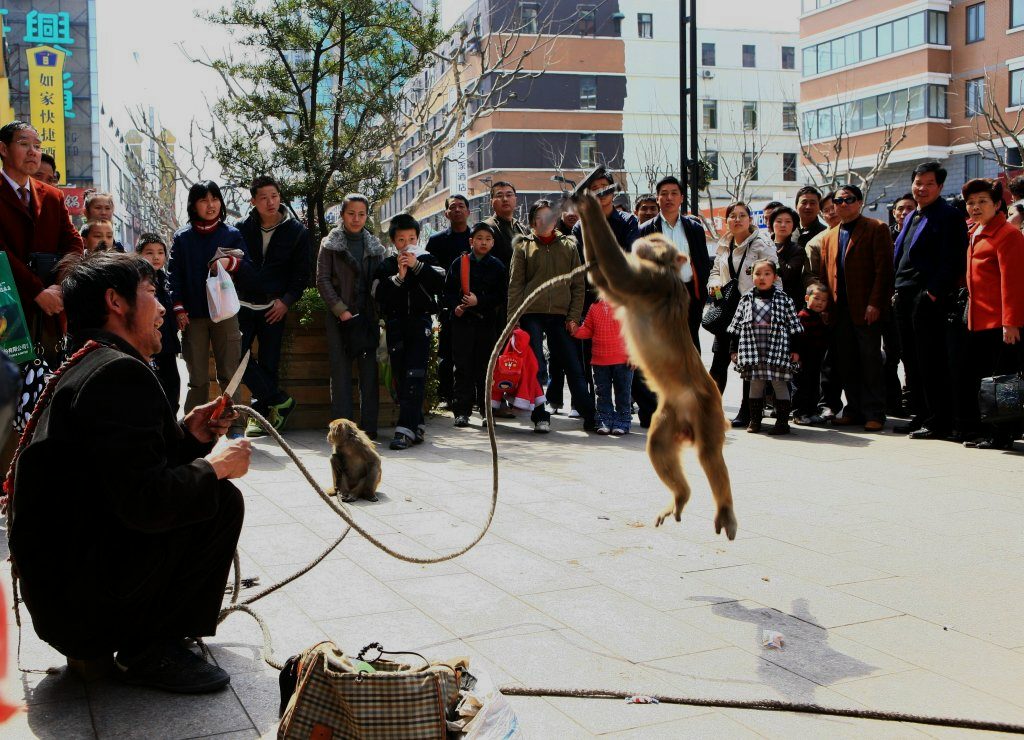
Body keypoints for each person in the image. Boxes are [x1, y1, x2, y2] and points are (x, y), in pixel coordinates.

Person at [8, 250, 250, 693]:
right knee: (219, 500)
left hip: (67, 596)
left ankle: (141, 631)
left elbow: (124, 468)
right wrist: (214, 467)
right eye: (151, 293)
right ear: (116, 302)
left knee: (205, 489)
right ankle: (149, 646)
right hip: (82, 607)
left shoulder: (93, 364)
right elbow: (146, 503)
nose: (161, 308)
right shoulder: (116, 374)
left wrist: (191, 437)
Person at [169, 180, 256, 432]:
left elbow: (250, 271)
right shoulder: (182, 238)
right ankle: (192, 427)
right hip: (193, 316)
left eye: (215, 199)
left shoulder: (232, 234)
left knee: (229, 373)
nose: (211, 205)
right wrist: (178, 307)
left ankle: (235, 426)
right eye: (204, 200)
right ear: (193, 205)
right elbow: (173, 275)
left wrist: (233, 264)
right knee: (197, 378)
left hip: (226, 313)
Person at [892, 162, 969, 440]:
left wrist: (933, 293)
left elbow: (953, 259)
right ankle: (920, 414)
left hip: (927, 297)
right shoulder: (913, 215)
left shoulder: (948, 216)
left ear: (939, 186)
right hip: (903, 296)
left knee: (930, 360)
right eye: (918, 183)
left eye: (928, 183)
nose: (921, 188)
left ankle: (939, 420)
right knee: (911, 361)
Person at [508, 199, 596, 433]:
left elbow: (579, 285)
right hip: (531, 314)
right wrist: (513, 318)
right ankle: (540, 415)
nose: (545, 221)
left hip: (561, 315)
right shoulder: (523, 246)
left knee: (573, 366)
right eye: (540, 217)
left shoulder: (568, 245)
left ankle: (590, 415)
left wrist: (574, 316)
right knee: (536, 366)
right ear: (532, 222)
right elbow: (515, 285)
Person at [0, 121, 84, 366]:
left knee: (46, 387)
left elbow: (73, 243)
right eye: (24, 144)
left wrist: (59, 286)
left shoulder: (52, 196)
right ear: (3, 149)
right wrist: (36, 290)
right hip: (7, 309)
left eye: (37, 146)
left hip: (50, 311)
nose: (32, 152)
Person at [234, 174, 310, 436]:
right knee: (237, 358)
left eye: (275, 196)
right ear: (253, 201)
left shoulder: (296, 231)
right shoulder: (240, 228)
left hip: (274, 306)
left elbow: (302, 273)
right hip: (242, 303)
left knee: (269, 361)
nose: (270, 202)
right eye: (263, 198)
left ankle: (262, 416)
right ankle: (279, 400)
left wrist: (286, 301)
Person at [818, 185, 893, 432]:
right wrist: (826, 305)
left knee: (870, 361)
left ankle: (875, 412)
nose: (843, 204)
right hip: (839, 310)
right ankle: (854, 409)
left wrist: (875, 303)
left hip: (866, 308)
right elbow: (824, 274)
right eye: (838, 201)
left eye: (848, 200)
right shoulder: (829, 236)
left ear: (859, 202)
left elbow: (884, 271)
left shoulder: (876, 228)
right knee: (846, 362)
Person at [317, 193, 388, 440]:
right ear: (342, 215)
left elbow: (381, 281)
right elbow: (322, 279)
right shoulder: (330, 244)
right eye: (351, 213)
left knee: (369, 373)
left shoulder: (376, 246)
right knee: (340, 372)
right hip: (339, 317)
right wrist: (340, 310)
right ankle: (343, 430)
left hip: (367, 317)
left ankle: (369, 429)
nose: (356, 219)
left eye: (361, 214)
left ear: (367, 216)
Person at [372, 213, 446, 450]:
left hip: (420, 323)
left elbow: (440, 283)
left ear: (418, 238)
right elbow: (378, 294)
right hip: (395, 325)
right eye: (401, 240)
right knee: (402, 376)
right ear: (394, 241)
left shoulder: (427, 259)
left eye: (411, 238)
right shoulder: (386, 265)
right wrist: (399, 277)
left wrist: (417, 266)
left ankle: (404, 430)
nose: (407, 245)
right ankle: (417, 425)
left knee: (416, 374)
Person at [961, 178, 1024, 449]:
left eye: (982, 202)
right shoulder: (976, 231)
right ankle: (993, 431)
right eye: (971, 202)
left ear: (998, 204)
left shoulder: (1007, 234)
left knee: (1004, 381)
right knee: (987, 379)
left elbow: (1014, 281)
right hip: (980, 320)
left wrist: (1011, 322)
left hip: (1001, 323)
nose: (975, 207)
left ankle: (1004, 434)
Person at [707, 201, 777, 427]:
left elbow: (774, 275)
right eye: (732, 216)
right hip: (726, 311)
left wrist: (773, 308)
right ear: (726, 220)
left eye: (741, 215)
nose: (737, 220)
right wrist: (715, 284)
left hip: (751, 313)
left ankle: (747, 413)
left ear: (750, 219)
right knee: (719, 362)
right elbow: (716, 270)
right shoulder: (724, 244)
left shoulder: (761, 244)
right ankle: (711, 411)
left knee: (747, 365)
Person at [728, 259, 803, 435]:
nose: (762, 278)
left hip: (777, 350)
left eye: (767, 274)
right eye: (758, 274)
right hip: (753, 350)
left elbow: (795, 328)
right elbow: (735, 327)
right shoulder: (745, 299)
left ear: (775, 277)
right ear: (752, 276)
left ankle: (783, 422)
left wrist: (796, 350)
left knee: (779, 384)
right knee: (755, 385)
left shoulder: (784, 299)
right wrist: (733, 350)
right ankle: (755, 421)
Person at [444, 222, 508, 428]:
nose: (483, 242)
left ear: (493, 243)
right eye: (479, 238)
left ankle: (485, 411)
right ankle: (461, 411)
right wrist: (456, 307)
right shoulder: (459, 263)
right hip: (462, 323)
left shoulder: (497, 266)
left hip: (486, 323)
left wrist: (479, 300)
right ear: (471, 241)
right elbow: (449, 291)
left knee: (485, 369)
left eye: (488, 239)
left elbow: (501, 295)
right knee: (462, 368)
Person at [637, 175, 709, 349]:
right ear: (658, 198)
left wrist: (700, 294)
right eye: (664, 193)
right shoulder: (645, 230)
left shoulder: (695, 228)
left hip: (690, 292)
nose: (669, 198)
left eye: (674, 193)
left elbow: (703, 261)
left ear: (681, 198)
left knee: (690, 342)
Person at [426, 194, 472, 408]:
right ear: (446, 213)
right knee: (447, 352)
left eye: (461, 206)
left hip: (474, 303)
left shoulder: (477, 237)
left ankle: (471, 396)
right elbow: (429, 271)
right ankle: (445, 395)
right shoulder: (436, 240)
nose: (457, 210)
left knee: (472, 353)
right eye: (452, 207)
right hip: (447, 304)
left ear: (468, 211)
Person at [572, 297, 632, 435]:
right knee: (602, 394)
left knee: (623, 393)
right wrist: (576, 330)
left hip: (623, 359)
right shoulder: (594, 306)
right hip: (600, 360)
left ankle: (623, 420)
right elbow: (588, 328)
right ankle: (604, 419)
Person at [137, 233, 181, 413]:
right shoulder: (137, 281)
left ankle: (172, 421)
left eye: (160, 252)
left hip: (168, 343)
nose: (156, 257)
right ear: (138, 254)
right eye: (149, 252)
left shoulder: (166, 279)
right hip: (148, 343)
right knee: (153, 385)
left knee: (173, 383)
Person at [791, 284, 830, 426]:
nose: (820, 303)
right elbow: (796, 339)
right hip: (803, 361)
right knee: (801, 388)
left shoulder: (821, 317)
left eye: (824, 300)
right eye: (817, 298)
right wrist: (797, 357)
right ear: (807, 298)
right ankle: (799, 413)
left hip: (816, 360)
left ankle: (812, 412)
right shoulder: (802, 317)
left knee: (814, 387)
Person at [483, 181, 530, 270]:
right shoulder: (485, 228)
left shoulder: (523, 229)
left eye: (509, 195)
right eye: (499, 195)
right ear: (491, 202)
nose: (505, 199)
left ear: (515, 199)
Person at [768, 206, 807, 305]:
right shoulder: (761, 245)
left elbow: (788, 275)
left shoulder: (798, 250)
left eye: (788, 221)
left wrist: (774, 252)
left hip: (786, 302)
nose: (783, 225)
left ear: (793, 226)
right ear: (772, 224)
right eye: (779, 221)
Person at [802, 191, 838, 287]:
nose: (831, 212)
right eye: (826, 210)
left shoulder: (856, 234)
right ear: (821, 214)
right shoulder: (815, 243)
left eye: (833, 207)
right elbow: (810, 276)